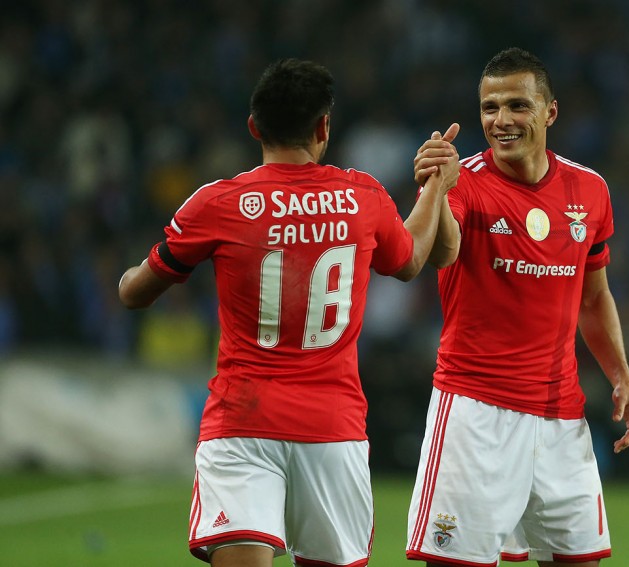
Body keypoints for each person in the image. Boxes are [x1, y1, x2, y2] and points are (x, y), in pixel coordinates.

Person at [118, 58, 460, 567]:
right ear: (323, 127)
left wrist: (132, 274)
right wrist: (435, 186)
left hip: (242, 424)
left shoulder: (217, 203)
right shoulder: (361, 196)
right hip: (333, 429)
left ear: (254, 127)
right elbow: (411, 261)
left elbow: (135, 293)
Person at [405, 47, 629, 567]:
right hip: (476, 413)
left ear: (549, 112)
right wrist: (435, 191)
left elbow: (594, 296)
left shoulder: (590, 189)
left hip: (561, 418)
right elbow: (442, 253)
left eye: (517, 105)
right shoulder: (465, 181)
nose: (501, 120)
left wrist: (621, 377)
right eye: (489, 108)